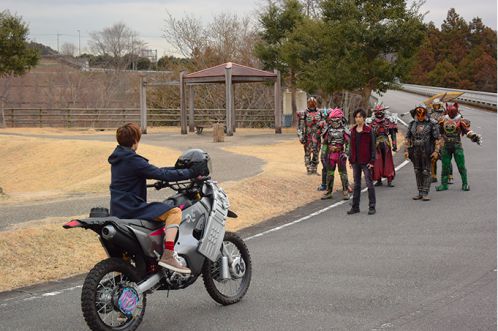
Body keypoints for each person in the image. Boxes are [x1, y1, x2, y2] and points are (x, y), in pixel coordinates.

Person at [108, 123, 207, 274]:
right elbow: (161, 174)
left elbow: (156, 171)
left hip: (118, 208)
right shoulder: (133, 160)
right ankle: (168, 254)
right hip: (133, 208)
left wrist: (179, 170)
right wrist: (191, 172)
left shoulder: (119, 158)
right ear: (135, 140)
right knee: (174, 212)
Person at [435, 103, 482, 191]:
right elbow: (438, 132)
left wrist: (473, 136)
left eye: (453, 111)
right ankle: (444, 184)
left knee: (461, 165)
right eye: (449, 111)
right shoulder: (442, 120)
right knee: (445, 165)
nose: (451, 113)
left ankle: (465, 183)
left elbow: (467, 130)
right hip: (445, 145)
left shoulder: (461, 120)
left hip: (457, 145)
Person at [404, 105, 441, 201]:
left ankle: (425, 192)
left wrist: (436, 151)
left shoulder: (432, 123)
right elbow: (407, 138)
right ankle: (420, 192)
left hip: (427, 150)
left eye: (422, 111)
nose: (420, 114)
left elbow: (437, 138)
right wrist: (406, 150)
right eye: (418, 112)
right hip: (415, 151)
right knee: (417, 171)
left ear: (425, 112)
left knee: (426, 171)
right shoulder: (412, 123)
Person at [347, 108, 376, 215]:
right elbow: (351, 147)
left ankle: (372, 206)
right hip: (355, 161)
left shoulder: (369, 131)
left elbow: (373, 147)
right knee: (357, 185)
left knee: (369, 184)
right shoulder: (353, 131)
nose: (358, 119)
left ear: (364, 118)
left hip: (366, 161)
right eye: (356, 117)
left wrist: (372, 161)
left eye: (360, 117)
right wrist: (350, 160)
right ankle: (355, 207)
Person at [320, 108, 351, 200]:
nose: (333, 122)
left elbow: (348, 143)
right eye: (332, 120)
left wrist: (346, 153)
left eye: (335, 120)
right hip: (330, 155)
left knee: (343, 173)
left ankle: (345, 191)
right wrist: (323, 153)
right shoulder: (328, 129)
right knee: (330, 173)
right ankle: (329, 191)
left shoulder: (344, 129)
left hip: (340, 154)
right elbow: (325, 142)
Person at [366, 104, 398, 187]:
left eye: (380, 111)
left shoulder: (388, 120)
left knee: (388, 162)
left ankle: (389, 180)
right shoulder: (371, 122)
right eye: (377, 112)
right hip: (376, 144)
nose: (379, 113)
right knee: (377, 162)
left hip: (386, 143)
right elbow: (368, 135)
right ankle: (378, 179)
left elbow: (393, 133)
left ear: (383, 111)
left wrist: (394, 144)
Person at [429, 98, 453, 183]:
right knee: (433, 158)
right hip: (433, 138)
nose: (436, 106)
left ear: (440, 105)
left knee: (445, 158)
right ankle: (433, 176)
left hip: (443, 137)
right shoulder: (430, 114)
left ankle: (449, 176)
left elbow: (449, 125)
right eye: (434, 105)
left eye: (437, 105)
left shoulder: (444, 114)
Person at [297, 97, 323, 175]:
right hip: (308, 136)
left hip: (317, 136)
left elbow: (324, 123)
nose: (312, 104)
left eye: (313, 103)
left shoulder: (320, 112)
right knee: (307, 153)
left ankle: (314, 169)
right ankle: (308, 168)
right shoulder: (304, 113)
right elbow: (300, 126)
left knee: (316, 152)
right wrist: (300, 135)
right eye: (310, 103)